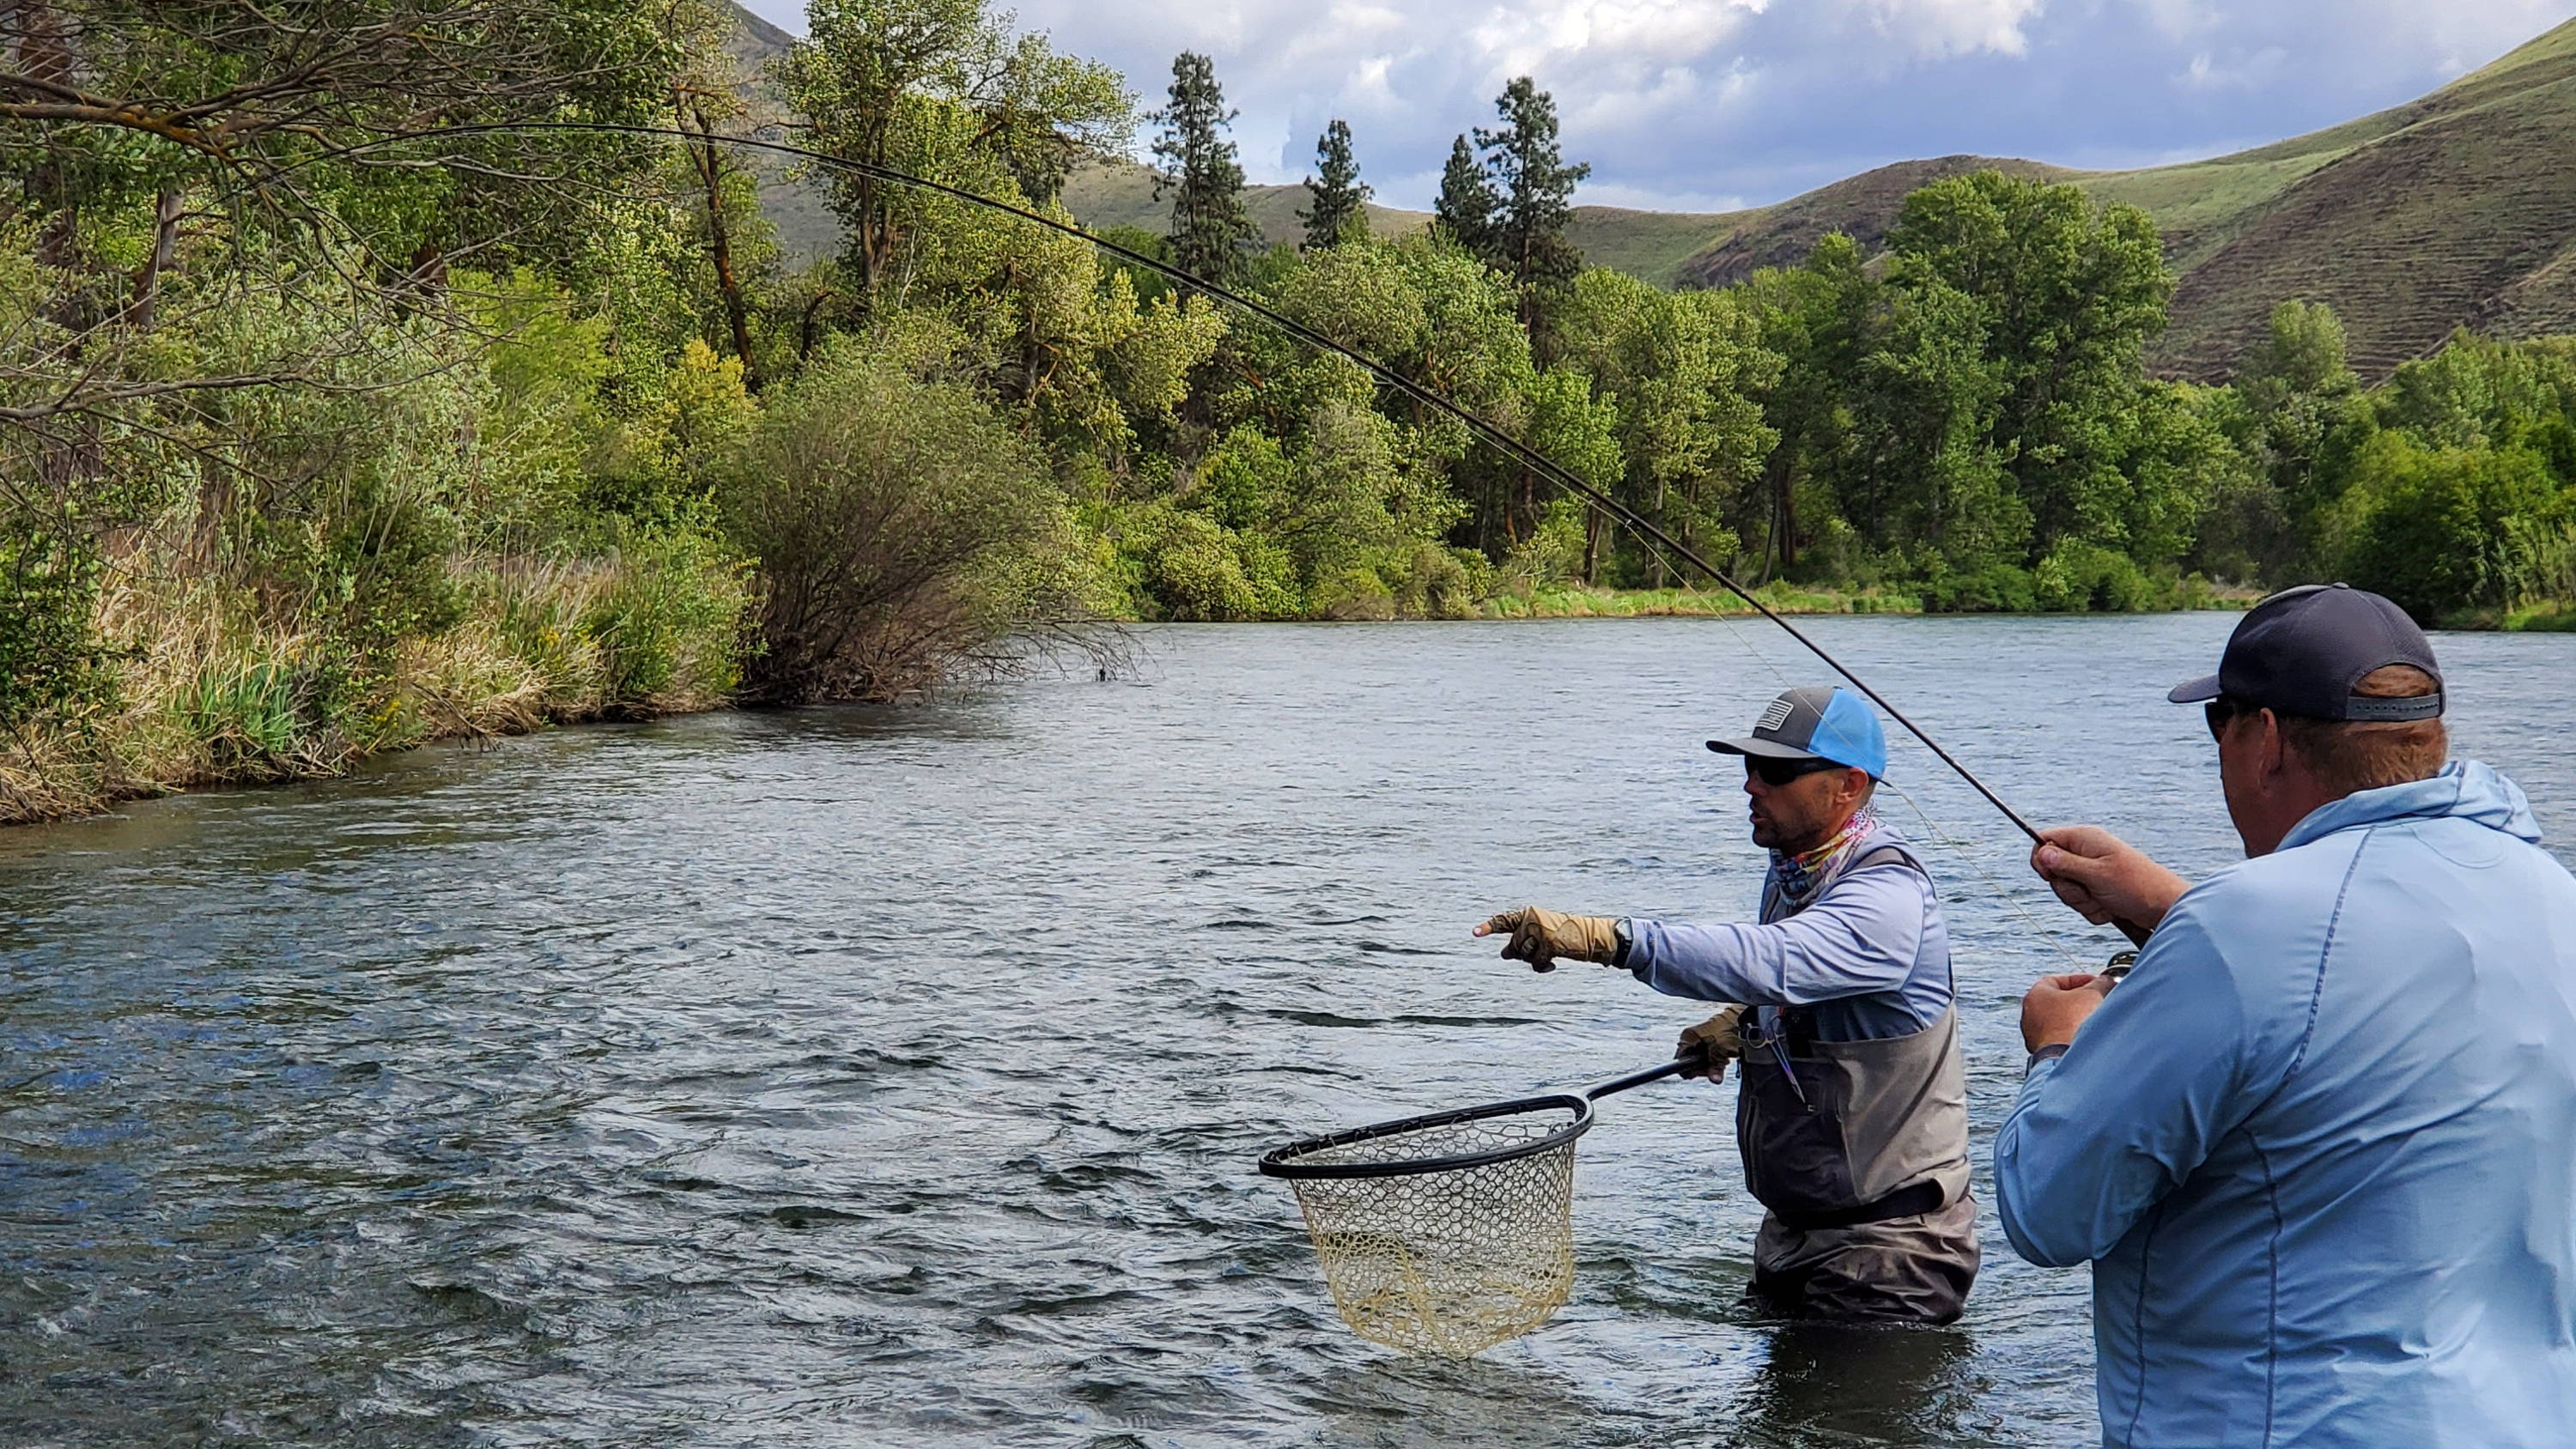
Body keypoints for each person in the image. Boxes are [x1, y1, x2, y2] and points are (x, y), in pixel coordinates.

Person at [1997, 583, 2576, 1447]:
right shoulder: (2552, 896)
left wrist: (2059, 1046)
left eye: (2218, 723)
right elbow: (2366, 959)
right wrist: (2169, 904)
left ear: (2262, 738)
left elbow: (2048, 1208)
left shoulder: (2239, 929)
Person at [1475, 684, 1978, 1325]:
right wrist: (1747, 1022)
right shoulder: (1796, 870)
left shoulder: (1888, 898)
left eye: (1775, 771)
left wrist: (1608, 939)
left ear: (1848, 785)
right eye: (1747, 766)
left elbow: (1774, 959)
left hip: (1891, 1256)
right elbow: (1800, 985)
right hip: (1796, 1238)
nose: (1751, 786)